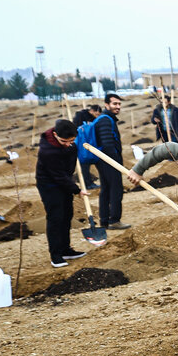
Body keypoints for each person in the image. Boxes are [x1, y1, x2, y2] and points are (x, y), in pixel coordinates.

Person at [35, 119, 88, 268]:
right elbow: (58, 176)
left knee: (67, 215)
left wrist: (71, 184)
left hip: (64, 180)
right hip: (49, 185)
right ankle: (56, 255)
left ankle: (66, 249)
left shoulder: (70, 146)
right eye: (64, 141)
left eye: (71, 141)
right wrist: (76, 189)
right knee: (55, 218)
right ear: (55, 134)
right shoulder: (48, 151)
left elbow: (67, 170)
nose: (68, 144)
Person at [94, 93, 129, 230]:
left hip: (104, 161)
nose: (118, 106)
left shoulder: (107, 119)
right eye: (114, 104)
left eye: (119, 104)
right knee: (115, 190)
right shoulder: (105, 120)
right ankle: (114, 220)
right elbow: (107, 144)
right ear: (106, 105)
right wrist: (116, 163)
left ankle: (104, 221)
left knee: (106, 190)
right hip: (108, 161)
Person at [72, 104, 102, 189]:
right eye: (96, 114)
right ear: (92, 111)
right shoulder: (81, 117)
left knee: (91, 164)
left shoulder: (92, 119)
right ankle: (87, 184)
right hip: (82, 145)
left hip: (90, 144)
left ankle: (89, 182)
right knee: (84, 165)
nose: (97, 116)